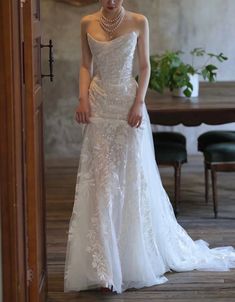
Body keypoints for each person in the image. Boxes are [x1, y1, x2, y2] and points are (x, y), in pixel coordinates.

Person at [64, 0, 235, 294]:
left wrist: (139, 103)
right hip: (99, 106)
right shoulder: (86, 23)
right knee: (101, 183)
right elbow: (84, 64)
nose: (111, 1)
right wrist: (82, 98)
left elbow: (144, 67)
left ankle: (131, 257)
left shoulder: (139, 21)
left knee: (131, 181)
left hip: (128, 106)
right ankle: (104, 267)